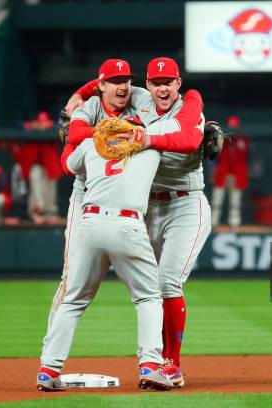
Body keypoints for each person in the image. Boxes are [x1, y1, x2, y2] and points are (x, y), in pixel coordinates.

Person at [38, 58, 204, 391]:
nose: (124, 87)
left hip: (90, 221)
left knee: (73, 299)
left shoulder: (92, 140)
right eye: (114, 81)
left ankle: (48, 369)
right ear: (101, 85)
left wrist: (96, 142)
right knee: (148, 298)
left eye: (168, 82)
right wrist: (138, 137)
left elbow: (68, 164)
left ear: (177, 83)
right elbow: (183, 140)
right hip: (130, 224)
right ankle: (151, 364)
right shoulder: (149, 138)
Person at [211, 115, 250, 227]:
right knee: (217, 199)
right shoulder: (220, 137)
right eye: (230, 127)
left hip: (237, 174)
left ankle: (234, 222)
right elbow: (213, 155)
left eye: (235, 127)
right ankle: (214, 222)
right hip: (222, 172)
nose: (232, 129)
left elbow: (248, 156)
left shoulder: (244, 139)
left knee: (235, 200)